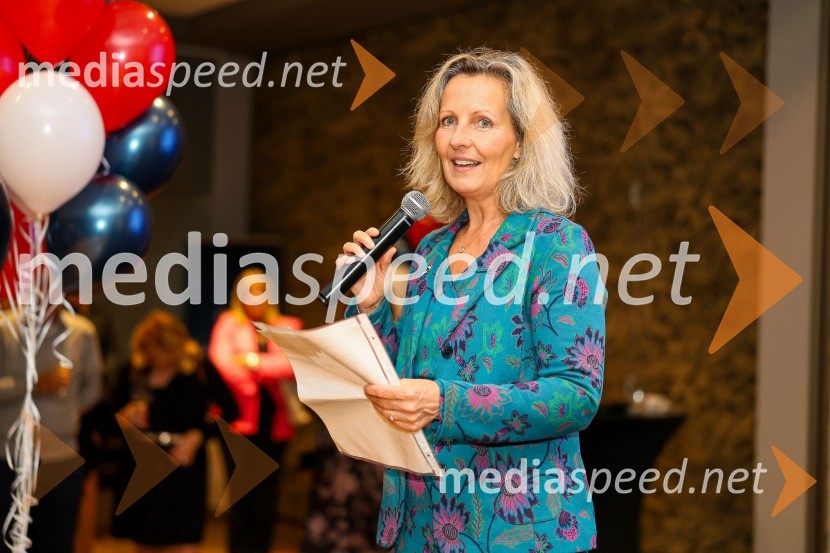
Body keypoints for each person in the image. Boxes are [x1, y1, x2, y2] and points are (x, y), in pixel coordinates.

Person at [340, 48, 606, 552]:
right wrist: (374, 303)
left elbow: (575, 395)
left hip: (519, 531)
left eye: (483, 122)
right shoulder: (433, 249)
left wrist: (444, 401)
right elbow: (402, 384)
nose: (459, 139)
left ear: (523, 143)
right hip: (420, 528)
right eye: (448, 121)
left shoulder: (556, 245)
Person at [208, 267, 303, 553]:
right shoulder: (228, 323)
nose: (256, 297)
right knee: (240, 493)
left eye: (261, 290)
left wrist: (252, 362)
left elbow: (291, 365)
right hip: (238, 420)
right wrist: (253, 381)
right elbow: (222, 362)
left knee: (267, 497)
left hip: (275, 422)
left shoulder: (287, 324)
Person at [0, 306, 103, 553]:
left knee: (58, 541)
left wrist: (65, 416)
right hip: (11, 457)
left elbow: (93, 388)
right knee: (10, 541)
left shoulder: (82, 332)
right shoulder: (5, 329)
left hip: (62, 457)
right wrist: (34, 383)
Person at [111, 310, 209, 553]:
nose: (155, 359)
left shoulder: (197, 370)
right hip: (143, 465)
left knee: (183, 539)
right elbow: (106, 415)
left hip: (182, 470)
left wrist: (196, 436)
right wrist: (124, 417)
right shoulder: (135, 371)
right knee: (145, 539)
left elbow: (228, 412)